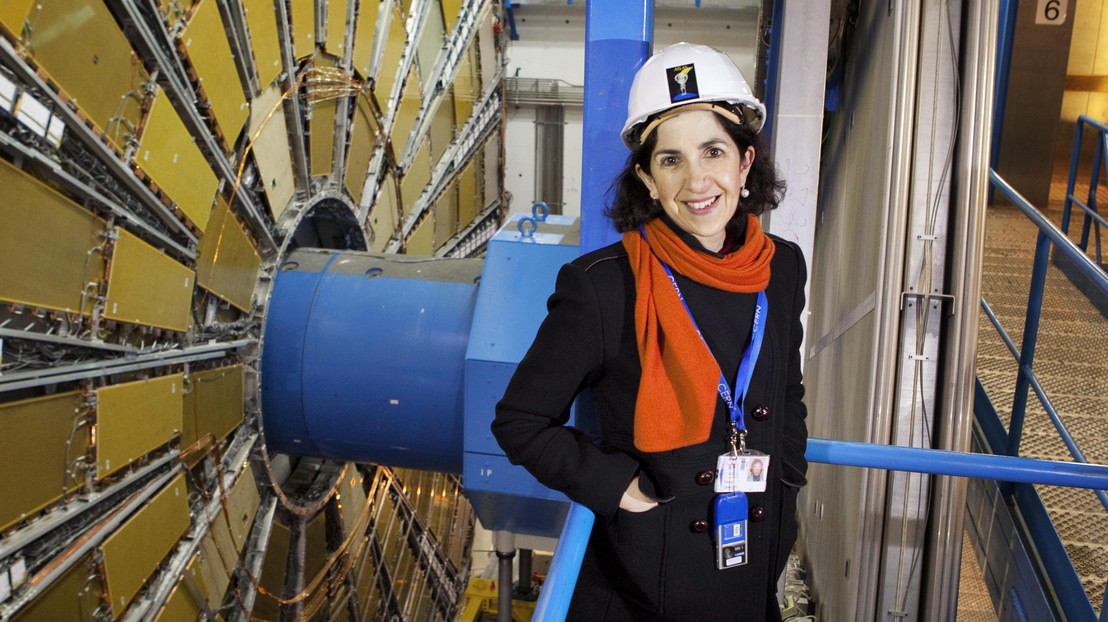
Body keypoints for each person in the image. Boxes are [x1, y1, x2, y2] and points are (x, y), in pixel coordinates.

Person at [492, 42, 808, 621]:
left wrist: (787, 476)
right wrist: (617, 488)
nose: (696, 180)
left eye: (713, 150)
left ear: (744, 162)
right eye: (670, 160)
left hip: (752, 558)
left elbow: (786, 388)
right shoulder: (604, 287)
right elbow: (519, 422)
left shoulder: (781, 267)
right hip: (645, 580)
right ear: (646, 178)